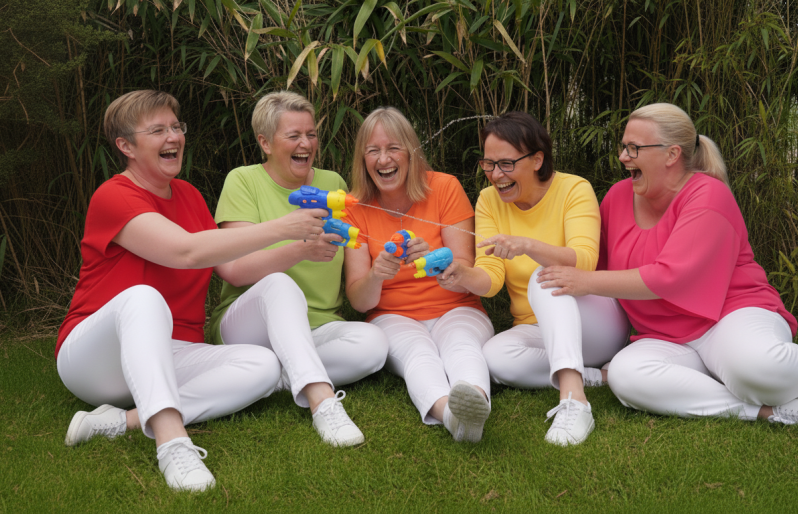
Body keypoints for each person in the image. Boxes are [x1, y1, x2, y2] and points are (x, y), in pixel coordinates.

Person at [57, 90, 328, 491]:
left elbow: (231, 268)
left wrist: (300, 247)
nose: (173, 137)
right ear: (125, 146)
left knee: (264, 365)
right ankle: (172, 443)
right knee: (143, 296)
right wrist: (282, 227)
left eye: (176, 127)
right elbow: (185, 252)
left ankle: (122, 421)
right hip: (95, 360)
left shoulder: (190, 196)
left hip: (175, 351)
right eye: (157, 130)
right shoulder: (113, 195)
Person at [535, 102, 798, 432]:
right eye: (623, 147)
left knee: (755, 369)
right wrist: (536, 249)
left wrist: (585, 281)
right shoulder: (617, 197)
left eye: (633, 148)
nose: (623, 157)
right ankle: (770, 412)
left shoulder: (708, 194)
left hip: (730, 316)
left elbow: (668, 276)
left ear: (671, 154)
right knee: (626, 375)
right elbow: (594, 261)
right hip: (664, 335)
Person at [437, 112, 630, 446]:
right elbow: (492, 279)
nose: (496, 175)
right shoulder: (488, 200)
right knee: (495, 358)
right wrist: (463, 275)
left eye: (506, 164)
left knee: (546, 274)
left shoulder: (573, 188)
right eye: (489, 164)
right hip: (537, 329)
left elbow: (584, 259)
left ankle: (574, 400)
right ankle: (599, 376)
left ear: (537, 159)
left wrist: (528, 246)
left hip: (595, 321)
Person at [209, 91, 389, 447]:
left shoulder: (333, 184)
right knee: (279, 284)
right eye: (294, 136)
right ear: (265, 143)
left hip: (317, 326)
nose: (306, 144)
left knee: (374, 345)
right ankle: (322, 402)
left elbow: (356, 245)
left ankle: (265, 378)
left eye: (311, 134)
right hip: (249, 328)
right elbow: (233, 270)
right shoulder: (243, 181)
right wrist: (301, 250)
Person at [342, 107, 495, 442]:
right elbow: (359, 300)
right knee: (418, 353)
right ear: (362, 159)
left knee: (461, 345)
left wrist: (437, 262)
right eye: (373, 150)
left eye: (393, 148)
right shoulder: (354, 207)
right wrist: (377, 275)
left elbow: (465, 268)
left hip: (457, 306)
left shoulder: (444, 187)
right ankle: (452, 416)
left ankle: (475, 403)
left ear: (411, 152)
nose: (384, 159)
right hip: (392, 315)